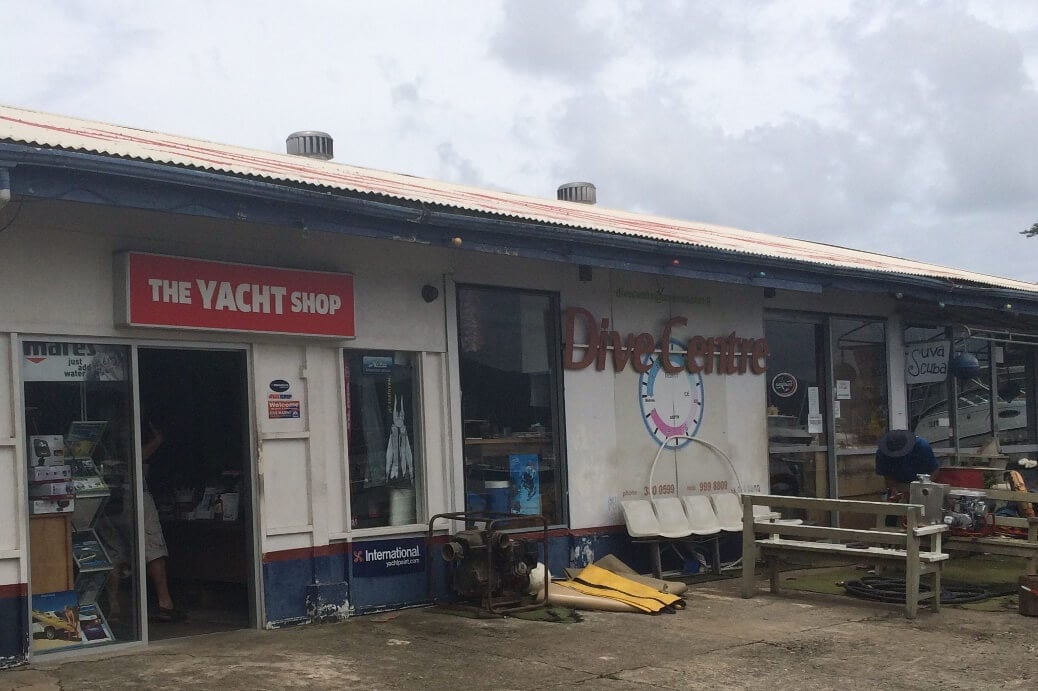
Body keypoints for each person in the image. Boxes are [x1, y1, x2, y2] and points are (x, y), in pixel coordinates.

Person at [141, 419, 185, 622]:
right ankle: (165, 603)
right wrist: (158, 439)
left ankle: (115, 608)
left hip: (110, 499)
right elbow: (136, 457)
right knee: (154, 548)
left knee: (113, 552)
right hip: (134, 494)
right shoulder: (128, 427)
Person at [875, 429, 939, 500]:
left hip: (922, 486)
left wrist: (922, 489)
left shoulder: (922, 447)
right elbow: (887, 476)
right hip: (898, 486)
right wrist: (893, 488)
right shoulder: (882, 453)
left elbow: (934, 470)